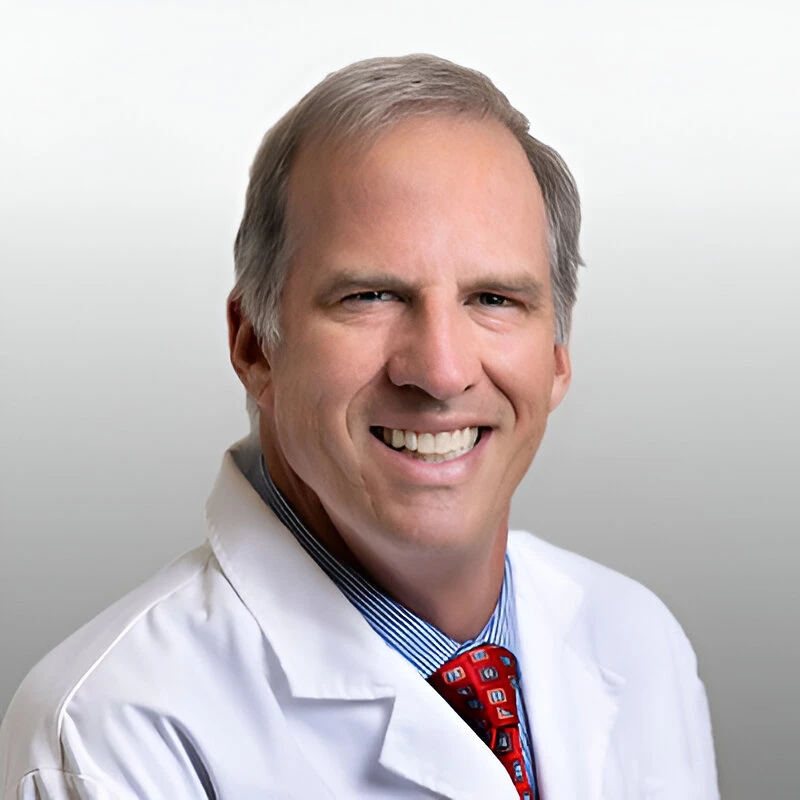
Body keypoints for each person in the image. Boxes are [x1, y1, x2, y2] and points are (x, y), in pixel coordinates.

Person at [0, 54, 719, 799]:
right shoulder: (109, 731)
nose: (441, 371)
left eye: (495, 300)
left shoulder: (639, 642)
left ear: (558, 357)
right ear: (255, 347)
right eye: (371, 296)